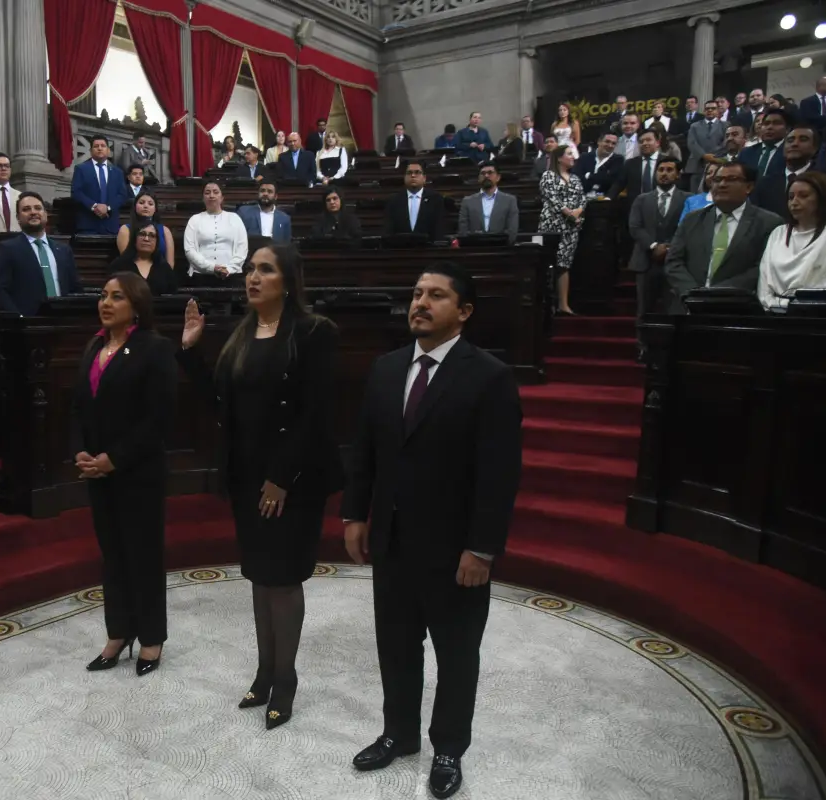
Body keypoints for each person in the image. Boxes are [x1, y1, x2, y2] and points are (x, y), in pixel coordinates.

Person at [342, 263, 522, 800]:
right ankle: (398, 733)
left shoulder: (489, 376)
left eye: (436, 296)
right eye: (417, 293)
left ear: (463, 311)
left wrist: (481, 548)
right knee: (396, 647)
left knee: (457, 654)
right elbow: (365, 450)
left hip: (455, 549)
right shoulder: (386, 368)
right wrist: (355, 514)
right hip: (393, 541)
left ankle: (448, 748)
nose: (420, 303)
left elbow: (498, 473)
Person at [178, 244, 342, 730]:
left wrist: (282, 477)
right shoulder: (242, 334)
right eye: (249, 269)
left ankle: (285, 679)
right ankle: (264, 670)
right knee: (258, 574)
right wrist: (190, 352)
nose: (252, 276)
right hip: (247, 477)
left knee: (283, 578)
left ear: (288, 281)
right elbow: (221, 406)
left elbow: (316, 414)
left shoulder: (314, 332)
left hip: (293, 480)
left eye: (265, 270)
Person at [75, 272, 176, 677]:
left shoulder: (155, 348)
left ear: (136, 305)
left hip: (138, 472)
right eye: (103, 295)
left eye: (117, 297)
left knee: (143, 555)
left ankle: (150, 637)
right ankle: (118, 633)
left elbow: (160, 418)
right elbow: (79, 408)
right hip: (98, 473)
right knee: (113, 556)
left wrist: (114, 458)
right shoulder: (93, 345)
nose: (106, 302)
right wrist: (80, 451)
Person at [663, 162, 784, 314]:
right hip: (688, 308)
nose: (721, 184)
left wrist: (716, 295)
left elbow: (762, 268)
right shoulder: (692, 219)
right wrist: (693, 295)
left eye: (731, 179)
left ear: (749, 187)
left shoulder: (769, 223)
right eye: (717, 179)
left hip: (737, 310)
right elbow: (673, 262)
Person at [628, 157, 689, 353]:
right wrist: (654, 246)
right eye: (661, 169)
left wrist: (669, 248)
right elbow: (635, 227)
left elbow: (688, 228)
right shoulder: (642, 199)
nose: (664, 173)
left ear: (678, 174)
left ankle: (673, 349)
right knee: (644, 309)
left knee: (674, 308)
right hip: (646, 261)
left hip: (676, 262)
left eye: (670, 170)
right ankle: (643, 347)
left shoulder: (688, 199)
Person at [0, 191, 82, 316]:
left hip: (62, 320)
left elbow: (75, 287)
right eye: (26, 209)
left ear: (46, 214)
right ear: (18, 218)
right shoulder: (8, 249)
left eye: (38, 208)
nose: (33, 212)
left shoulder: (63, 250)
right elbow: (0, 289)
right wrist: (18, 318)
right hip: (27, 322)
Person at [759, 172, 826, 312]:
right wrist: (776, 307)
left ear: (822, 198)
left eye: (803, 196)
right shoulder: (778, 233)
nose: (794, 202)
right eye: (791, 197)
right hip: (774, 314)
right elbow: (764, 283)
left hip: (818, 315)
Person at [539, 144, 586, 315]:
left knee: (564, 264)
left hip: (571, 228)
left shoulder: (575, 179)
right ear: (559, 158)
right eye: (569, 154)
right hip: (552, 224)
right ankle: (547, 304)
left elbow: (582, 199)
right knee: (550, 263)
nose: (573, 157)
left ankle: (563, 304)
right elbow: (551, 198)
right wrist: (568, 213)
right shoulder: (548, 175)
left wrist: (578, 211)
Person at [183, 181, 248, 282]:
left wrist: (229, 269)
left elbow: (242, 248)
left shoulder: (234, 218)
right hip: (201, 275)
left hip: (231, 275)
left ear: (222, 197)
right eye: (207, 193)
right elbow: (189, 250)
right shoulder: (194, 219)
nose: (211, 196)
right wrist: (212, 267)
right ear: (203, 198)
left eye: (216, 192)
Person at [753, 123, 819, 218]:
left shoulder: (824, 181)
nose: (795, 144)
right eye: (790, 140)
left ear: (815, 148)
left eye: (803, 139)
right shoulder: (764, 183)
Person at [71, 135, 126, 235]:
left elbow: (122, 195)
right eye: (96, 146)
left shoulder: (117, 172)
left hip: (110, 226)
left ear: (108, 150)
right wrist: (94, 206)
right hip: (88, 224)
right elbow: (76, 192)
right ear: (91, 151)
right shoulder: (81, 169)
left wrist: (107, 207)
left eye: (103, 146)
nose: (100, 148)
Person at [108, 221, 178, 296]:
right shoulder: (119, 265)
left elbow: (172, 295)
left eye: (152, 236)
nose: (146, 239)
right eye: (142, 234)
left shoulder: (164, 268)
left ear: (156, 242)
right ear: (134, 239)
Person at [383, 161, 446, 239]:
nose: (413, 175)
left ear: (424, 178)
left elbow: (438, 229)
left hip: (428, 245)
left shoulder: (436, 199)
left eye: (417, 172)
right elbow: (389, 230)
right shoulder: (393, 200)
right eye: (409, 173)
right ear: (404, 178)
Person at [457, 164, 518, 244]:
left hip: (501, 248)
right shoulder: (467, 201)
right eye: (483, 173)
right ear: (479, 178)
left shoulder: (510, 200)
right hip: (474, 247)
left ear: (498, 177)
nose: (486, 176)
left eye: (490, 173)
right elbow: (463, 231)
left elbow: (512, 231)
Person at [116, 193, 175, 269]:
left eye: (150, 204)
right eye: (141, 203)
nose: (146, 206)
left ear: (155, 209)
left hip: (161, 273)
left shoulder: (165, 230)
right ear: (135, 206)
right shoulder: (125, 229)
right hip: (132, 273)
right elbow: (126, 261)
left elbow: (170, 264)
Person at [739, 109, 791, 185]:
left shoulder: (790, 153)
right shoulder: (746, 153)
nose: (769, 127)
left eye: (776, 123)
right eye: (766, 124)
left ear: (787, 129)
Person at [610, 128, 662, 203]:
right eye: (641, 141)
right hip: (635, 205)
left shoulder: (667, 162)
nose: (644, 143)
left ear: (657, 143)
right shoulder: (630, 163)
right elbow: (618, 184)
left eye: (648, 140)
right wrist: (608, 198)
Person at [686, 100, 726, 192]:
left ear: (717, 111)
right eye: (707, 109)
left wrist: (714, 157)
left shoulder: (725, 125)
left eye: (713, 108)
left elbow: (725, 143)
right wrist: (704, 155)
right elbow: (692, 143)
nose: (710, 110)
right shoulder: (694, 126)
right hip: (697, 165)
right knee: (695, 194)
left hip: (717, 163)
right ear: (704, 111)